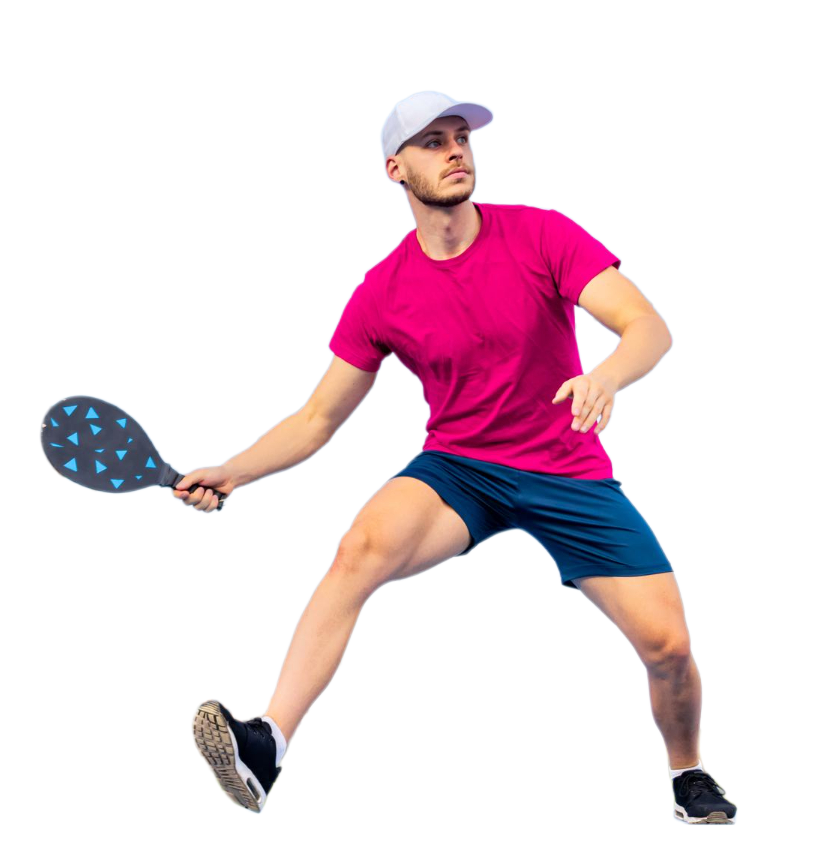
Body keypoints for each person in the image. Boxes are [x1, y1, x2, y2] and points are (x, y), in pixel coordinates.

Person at [174, 91, 737, 825]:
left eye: (461, 136)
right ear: (395, 168)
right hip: (461, 467)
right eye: (434, 142)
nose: (455, 151)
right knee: (358, 550)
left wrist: (603, 376)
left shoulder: (541, 233)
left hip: (567, 468)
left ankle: (688, 771)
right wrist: (234, 470)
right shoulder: (382, 292)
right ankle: (268, 743)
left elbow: (646, 327)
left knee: (668, 647)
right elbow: (317, 419)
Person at [475, 718, 502, 782]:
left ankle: (481, 779)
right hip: (490, 754)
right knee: (491, 767)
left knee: (482, 767)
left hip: (482, 754)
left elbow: (480, 743)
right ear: (491, 725)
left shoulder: (482, 735)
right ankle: (492, 780)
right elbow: (498, 744)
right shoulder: (492, 735)